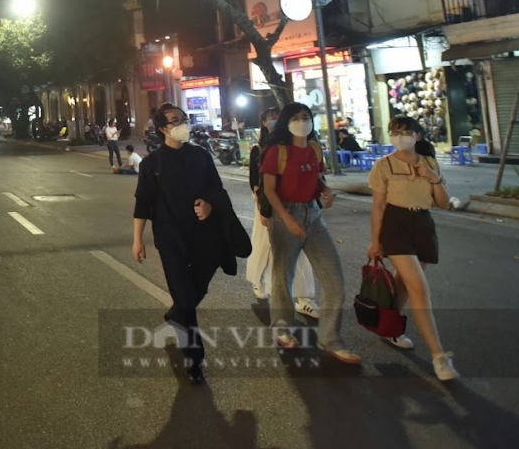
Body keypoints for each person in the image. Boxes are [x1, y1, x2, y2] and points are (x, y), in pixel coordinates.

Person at [132, 103, 243, 384]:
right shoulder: (152, 164)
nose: (181, 124)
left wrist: (209, 204)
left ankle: (176, 311)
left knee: (195, 290)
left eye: (183, 119)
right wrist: (137, 240)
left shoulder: (201, 156)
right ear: (162, 129)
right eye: (173, 121)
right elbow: (143, 204)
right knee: (186, 298)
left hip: (205, 236)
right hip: (171, 240)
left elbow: (216, 189)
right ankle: (194, 360)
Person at [260, 103, 359, 364]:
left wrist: (325, 189)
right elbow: (269, 190)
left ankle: (330, 339)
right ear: (286, 122)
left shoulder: (315, 148)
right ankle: (281, 329)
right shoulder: (276, 151)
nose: (302, 122)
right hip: (285, 216)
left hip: (313, 216)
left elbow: (316, 177)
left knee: (334, 279)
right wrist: (286, 220)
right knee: (283, 278)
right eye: (296, 118)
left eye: (306, 117)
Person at [368, 115, 459, 381]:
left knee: (405, 283)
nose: (400, 136)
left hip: (423, 225)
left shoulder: (430, 162)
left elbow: (442, 203)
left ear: (417, 136)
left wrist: (433, 178)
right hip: (396, 226)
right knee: (419, 288)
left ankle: (389, 325)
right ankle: (439, 356)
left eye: (406, 131)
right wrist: (375, 241)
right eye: (395, 132)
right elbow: (379, 206)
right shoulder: (383, 165)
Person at [246, 107, 320, 318]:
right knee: (265, 248)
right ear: (263, 122)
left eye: (278, 118)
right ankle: (258, 280)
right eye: (271, 118)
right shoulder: (260, 149)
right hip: (268, 205)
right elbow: (256, 183)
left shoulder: (295, 147)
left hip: (297, 208)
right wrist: (263, 209)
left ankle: (304, 298)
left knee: (301, 252)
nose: (275, 121)